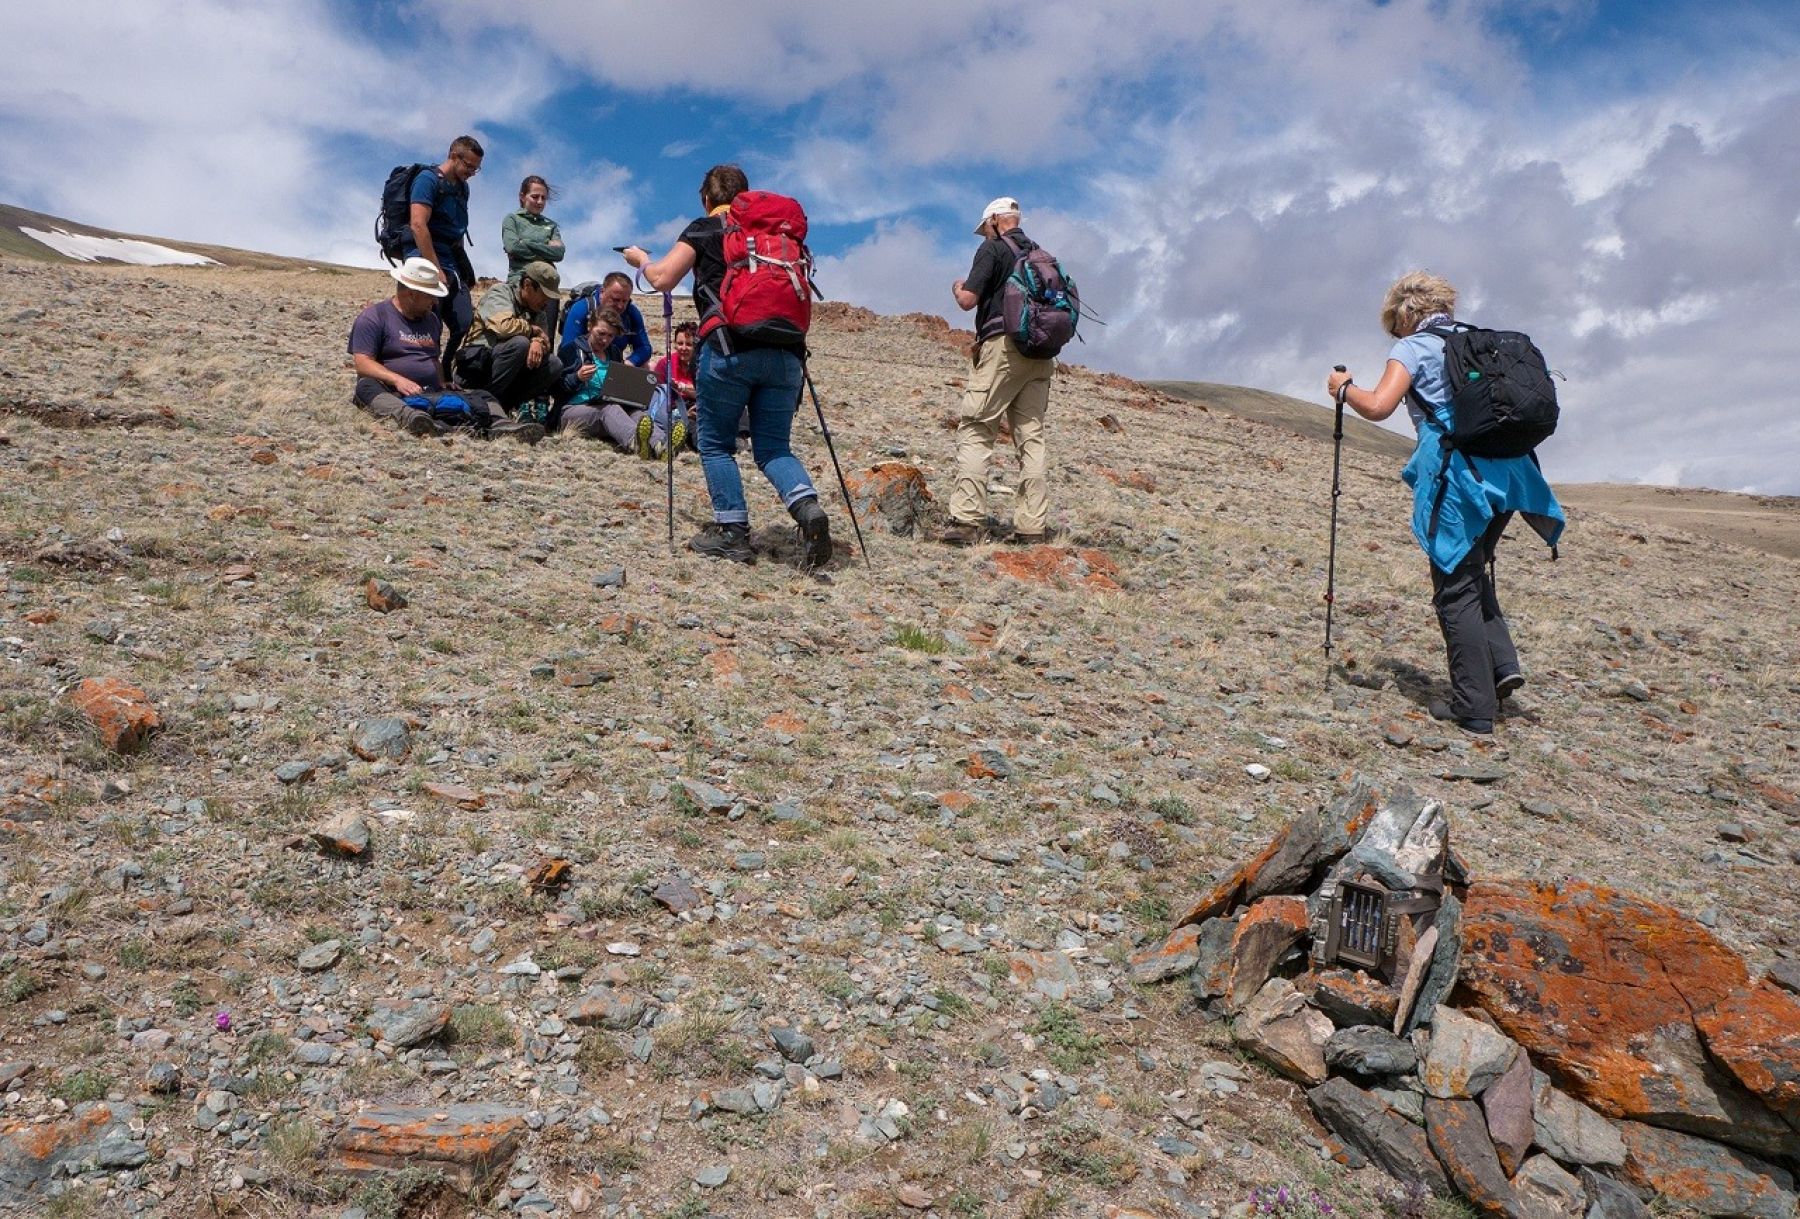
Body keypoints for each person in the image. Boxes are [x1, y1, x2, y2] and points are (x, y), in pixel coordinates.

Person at [1326, 272, 1565, 735]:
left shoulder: (1413, 348)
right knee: (1473, 569)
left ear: (1405, 313)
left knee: (1455, 585)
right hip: (1512, 472)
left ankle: (1473, 708)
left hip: (1459, 476)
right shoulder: (1477, 340)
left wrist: (1341, 387)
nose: (1394, 334)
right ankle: (1500, 667)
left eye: (1394, 324)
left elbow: (1378, 405)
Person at [622, 164, 831, 568]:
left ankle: (732, 532)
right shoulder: (773, 237)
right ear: (744, 196)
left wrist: (641, 260)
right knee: (773, 448)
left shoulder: (704, 229)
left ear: (706, 198)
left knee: (716, 444)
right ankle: (807, 509)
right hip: (786, 353)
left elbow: (663, 279)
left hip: (728, 349)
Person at [943, 196, 1055, 546]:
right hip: (1040, 353)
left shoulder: (992, 250)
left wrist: (957, 287)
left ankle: (967, 520)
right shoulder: (1041, 255)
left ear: (993, 220)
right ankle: (1032, 527)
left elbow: (967, 302)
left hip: (1002, 347)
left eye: (985, 228)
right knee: (1031, 436)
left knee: (977, 426)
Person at [403, 135, 483, 379]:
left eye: (476, 168)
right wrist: (434, 268)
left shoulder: (462, 188)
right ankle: (429, 372)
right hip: (424, 255)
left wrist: (463, 268)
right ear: (453, 156)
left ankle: (446, 364)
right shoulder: (427, 180)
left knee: (464, 320)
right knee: (431, 319)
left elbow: (458, 229)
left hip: (451, 258)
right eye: (469, 166)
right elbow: (418, 225)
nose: (471, 172)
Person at [347, 257, 452, 437]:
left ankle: (500, 423)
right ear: (411, 294)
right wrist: (397, 380)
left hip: (429, 391)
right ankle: (412, 418)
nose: (434, 302)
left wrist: (442, 383)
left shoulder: (432, 320)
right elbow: (362, 363)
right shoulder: (374, 317)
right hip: (390, 390)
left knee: (481, 395)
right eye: (429, 295)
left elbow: (434, 358)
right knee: (365, 387)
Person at [455, 260, 564, 416]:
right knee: (520, 344)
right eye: (544, 295)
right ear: (527, 285)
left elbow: (545, 340)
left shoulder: (539, 311)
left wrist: (537, 341)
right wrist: (532, 331)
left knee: (554, 364)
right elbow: (503, 327)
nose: (547, 301)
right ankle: (484, 405)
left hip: (506, 374)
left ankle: (503, 406)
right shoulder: (500, 293)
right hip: (475, 370)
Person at [554, 308, 652, 451]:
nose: (605, 340)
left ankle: (661, 445)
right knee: (608, 409)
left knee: (638, 414)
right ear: (590, 327)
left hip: (607, 410)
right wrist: (577, 377)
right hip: (572, 412)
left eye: (611, 336)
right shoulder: (571, 350)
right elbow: (556, 389)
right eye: (601, 333)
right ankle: (637, 445)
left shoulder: (614, 353)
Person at [559, 272, 653, 366]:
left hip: (614, 362)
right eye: (615, 299)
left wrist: (631, 362)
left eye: (625, 301)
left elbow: (644, 348)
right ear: (602, 292)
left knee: (647, 365)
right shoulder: (582, 308)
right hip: (584, 363)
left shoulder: (631, 312)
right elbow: (567, 348)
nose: (621, 306)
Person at [647, 320, 698, 454]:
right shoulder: (665, 364)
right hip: (675, 408)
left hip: (699, 407)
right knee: (695, 432)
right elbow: (658, 398)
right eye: (680, 343)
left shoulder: (703, 365)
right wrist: (683, 414)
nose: (683, 348)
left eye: (689, 344)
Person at [502, 176, 565, 283]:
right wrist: (546, 251)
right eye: (535, 197)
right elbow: (512, 248)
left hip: (547, 283)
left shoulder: (551, 225)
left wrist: (526, 243)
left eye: (543, 198)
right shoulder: (512, 219)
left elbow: (559, 254)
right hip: (519, 280)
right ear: (522, 196)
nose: (540, 202)